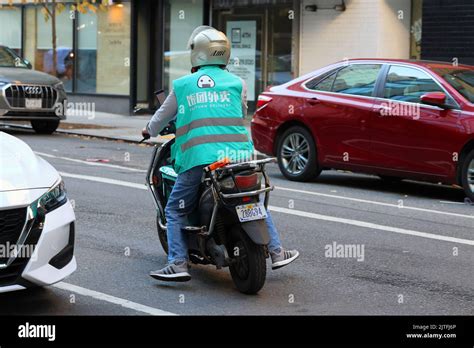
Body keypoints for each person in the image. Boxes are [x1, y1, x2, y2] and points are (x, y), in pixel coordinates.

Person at [142, 26, 299, 282]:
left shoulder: (183, 85)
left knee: (175, 210)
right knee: (252, 201)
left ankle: (178, 263)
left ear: (197, 53)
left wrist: (149, 130)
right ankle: (277, 251)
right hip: (239, 157)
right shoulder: (238, 83)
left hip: (199, 159)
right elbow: (237, 113)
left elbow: (161, 118)